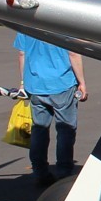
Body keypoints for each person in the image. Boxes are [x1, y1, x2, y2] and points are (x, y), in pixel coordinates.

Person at [15, 33, 87, 186]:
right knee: (65, 129)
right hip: (62, 83)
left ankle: (40, 171)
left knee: (39, 129)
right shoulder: (61, 23)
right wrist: (82, 82)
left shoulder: (25, 25)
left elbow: (22, 53)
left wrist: (23, 82)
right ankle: (64, 171)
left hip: (35, 84)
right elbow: (73, 53)